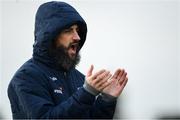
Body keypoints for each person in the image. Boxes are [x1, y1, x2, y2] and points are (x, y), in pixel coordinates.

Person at [7, 1, 128, 119]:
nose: (77, 37)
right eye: (68, 30)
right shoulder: (27, 77)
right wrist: (86, 93)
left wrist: (106, 100)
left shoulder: (80, 79)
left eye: (77, 30)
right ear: (49, 36)